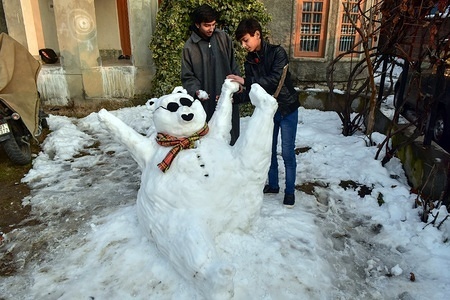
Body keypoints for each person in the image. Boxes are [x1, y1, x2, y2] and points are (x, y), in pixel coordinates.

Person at [227, 18, 300, 208]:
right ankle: (273, 185)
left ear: (257, 34)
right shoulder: (251, 60)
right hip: (269, 111)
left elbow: (275, 79)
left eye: (245, 40)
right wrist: (232, 99)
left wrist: (245, 80)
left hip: (287, 108)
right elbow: (254, 91)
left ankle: (290, 191)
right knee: (269, 150)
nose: (244, 45)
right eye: (242, 42)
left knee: (287, 151)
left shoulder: (278, 53)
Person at [181, 4, 241, 145]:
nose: (211, 29)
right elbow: (187, 76)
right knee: (208, 143)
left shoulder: (223, 38)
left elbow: (234, 65)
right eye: (207, 25)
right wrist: (196, 91)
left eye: (213, 24)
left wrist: (235, 87)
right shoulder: (189, 47)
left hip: (227, 99)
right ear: (197, 24)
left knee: (230, 138)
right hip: (205, 104)